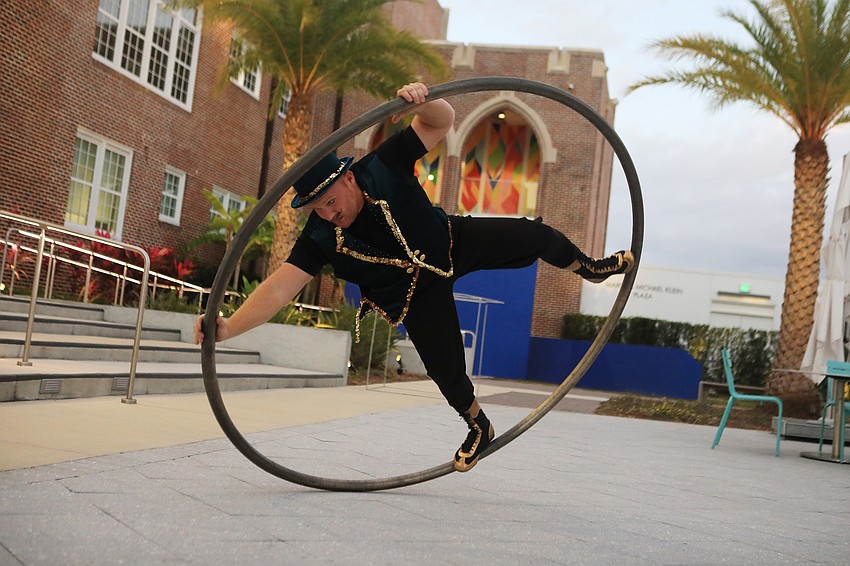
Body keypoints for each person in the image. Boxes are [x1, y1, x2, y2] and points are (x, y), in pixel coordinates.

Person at [194, 82, 634, 472]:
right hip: (411, 295)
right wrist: (228, 327)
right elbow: (279, 287)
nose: (330, 215)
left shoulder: (382, 165)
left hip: (448, 240)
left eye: (330, 201)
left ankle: (590, 269)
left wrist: (423, 101)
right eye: (319, 210)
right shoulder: (320, 236)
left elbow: (442, 121)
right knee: (444, 366)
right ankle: (478, 425)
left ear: (348, 177)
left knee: (532, 235)